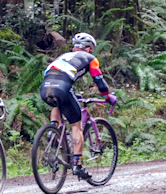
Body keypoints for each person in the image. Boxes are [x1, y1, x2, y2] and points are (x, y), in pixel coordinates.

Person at [39, 32, 117, 180]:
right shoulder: (90, 58)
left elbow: (49, 74)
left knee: (57, 102)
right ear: (88, 49)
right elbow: (99, 81)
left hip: (45, 87)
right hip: (63, 87)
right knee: (76, 125)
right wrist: (108, 96)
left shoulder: (62, 57)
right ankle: (78, 164)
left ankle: (53, 130)